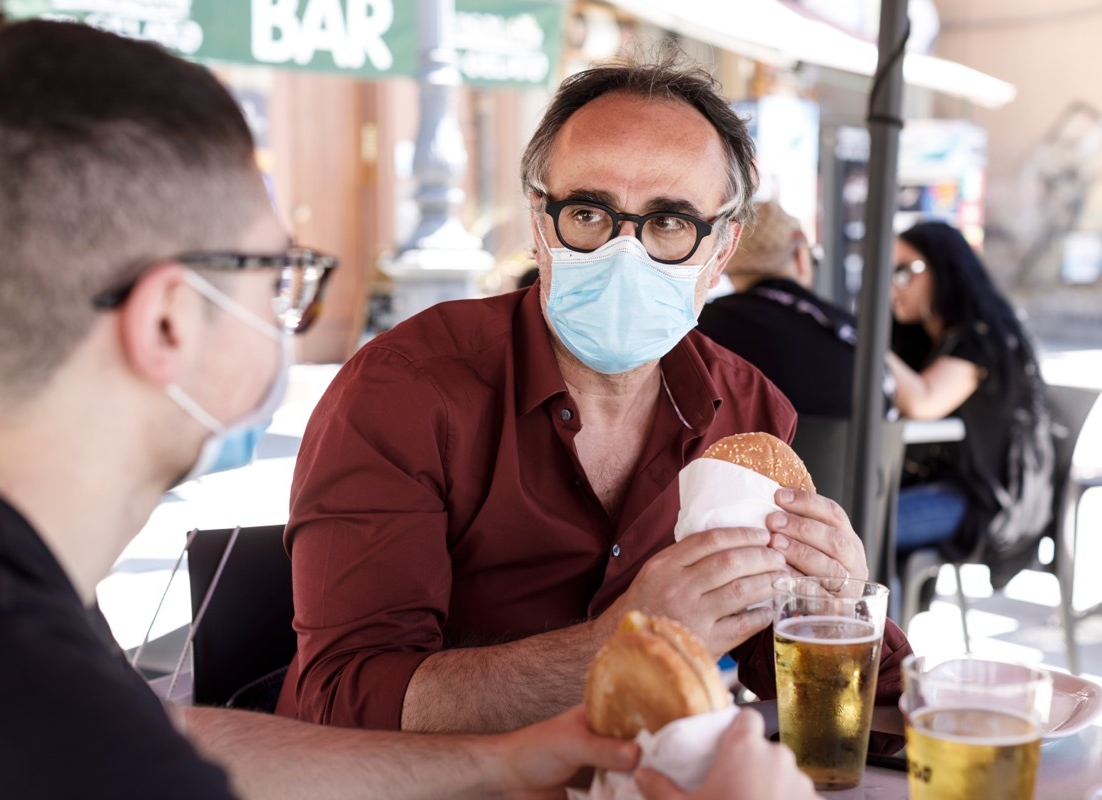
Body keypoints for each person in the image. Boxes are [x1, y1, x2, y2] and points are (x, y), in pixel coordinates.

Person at [0, 20, 656, 799]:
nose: (283, 315)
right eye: (277, 277)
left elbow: (163, 728)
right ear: (170, 319)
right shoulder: (22, 702)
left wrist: (498, 761)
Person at [277, 48, 912, 736]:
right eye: (588, 213)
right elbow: (345, 704)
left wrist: (836, 604)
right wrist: (621, 643)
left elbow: (797, 677)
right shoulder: (406, 391)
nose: (624, 252)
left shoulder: (746, 410)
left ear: (723, 248)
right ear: (539, 221)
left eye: (670, 222)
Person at [887, 221, 1053, 587]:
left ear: (943, 270)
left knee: (866, 523)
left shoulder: (981, 340)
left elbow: (922, 402)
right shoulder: (926, 344)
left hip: (984, 501)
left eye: (902, 272)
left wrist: (866, 340)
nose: (891, 286)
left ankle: (882, 642)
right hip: (942, 487)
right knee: (852, 516)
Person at [696, 200, 860, 417]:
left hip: (736, 450)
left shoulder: (700, 327)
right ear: (802, 256)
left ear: (725, 261)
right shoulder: (846, 330)